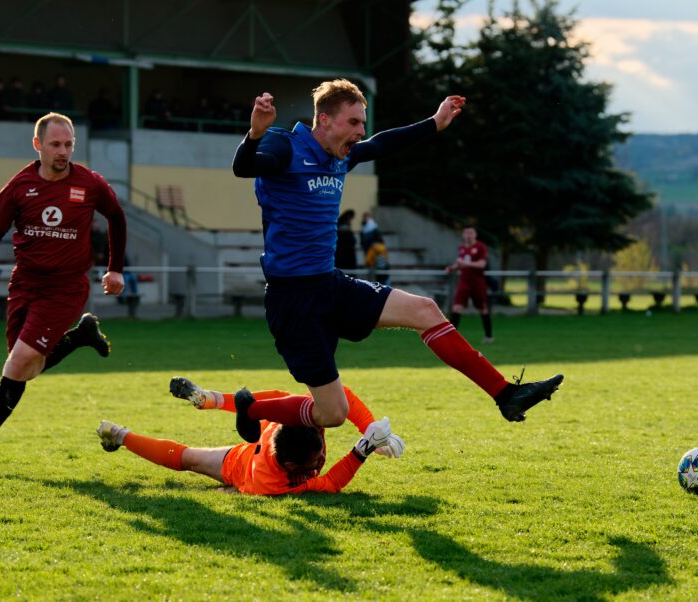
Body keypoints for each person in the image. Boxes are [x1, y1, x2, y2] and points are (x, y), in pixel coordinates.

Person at [230, 79, 562, 444]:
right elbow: (245, 168)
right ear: (324, 120)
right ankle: (253, 409)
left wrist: (434, 122)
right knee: (333, 414)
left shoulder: (342, 155)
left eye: (362, 123)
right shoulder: (284, 144)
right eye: (353, 122)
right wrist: (255, 132)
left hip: (330, 284)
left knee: (425, 309)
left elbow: (382, 143)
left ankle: (505, 394)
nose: (361, 132)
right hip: (292, 299)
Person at [0, 112, 128, 473]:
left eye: (69, 144)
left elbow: (117, 217)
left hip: (65, 289)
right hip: (25, 285)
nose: (63, 151)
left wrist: (115, 268)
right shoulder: (19, 186)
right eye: (56, 144)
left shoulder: (89, 184)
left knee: (17, 364)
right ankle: (79, 337)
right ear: (38, 145)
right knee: (27, 369)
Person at [96, 377, 404, 495]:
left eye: (319, 453)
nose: (318, 463)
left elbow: (342, 396)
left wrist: (371, 429)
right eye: (313, 462)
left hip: (265, 438)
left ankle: (216, 399)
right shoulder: (271, 485)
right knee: (187, 459)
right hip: (242, 466)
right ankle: (121, 436)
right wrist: (363, 449)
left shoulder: (301, 429)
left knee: (283, 401)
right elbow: (332, 483)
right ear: (291, 466)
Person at [445, 226, 493, 343]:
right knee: (456, 307)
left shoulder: (480, 247)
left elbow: (481, 264)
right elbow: (459, 264)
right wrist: (451, 268)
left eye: (471, 232)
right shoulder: (462, 248)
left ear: (475, 234)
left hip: (477, 282)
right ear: (463, 235)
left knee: (483, 308)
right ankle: (451, 338)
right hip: (464, 281)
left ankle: (488, 336)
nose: (468, 235)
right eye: (466, 233)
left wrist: (465, 263)